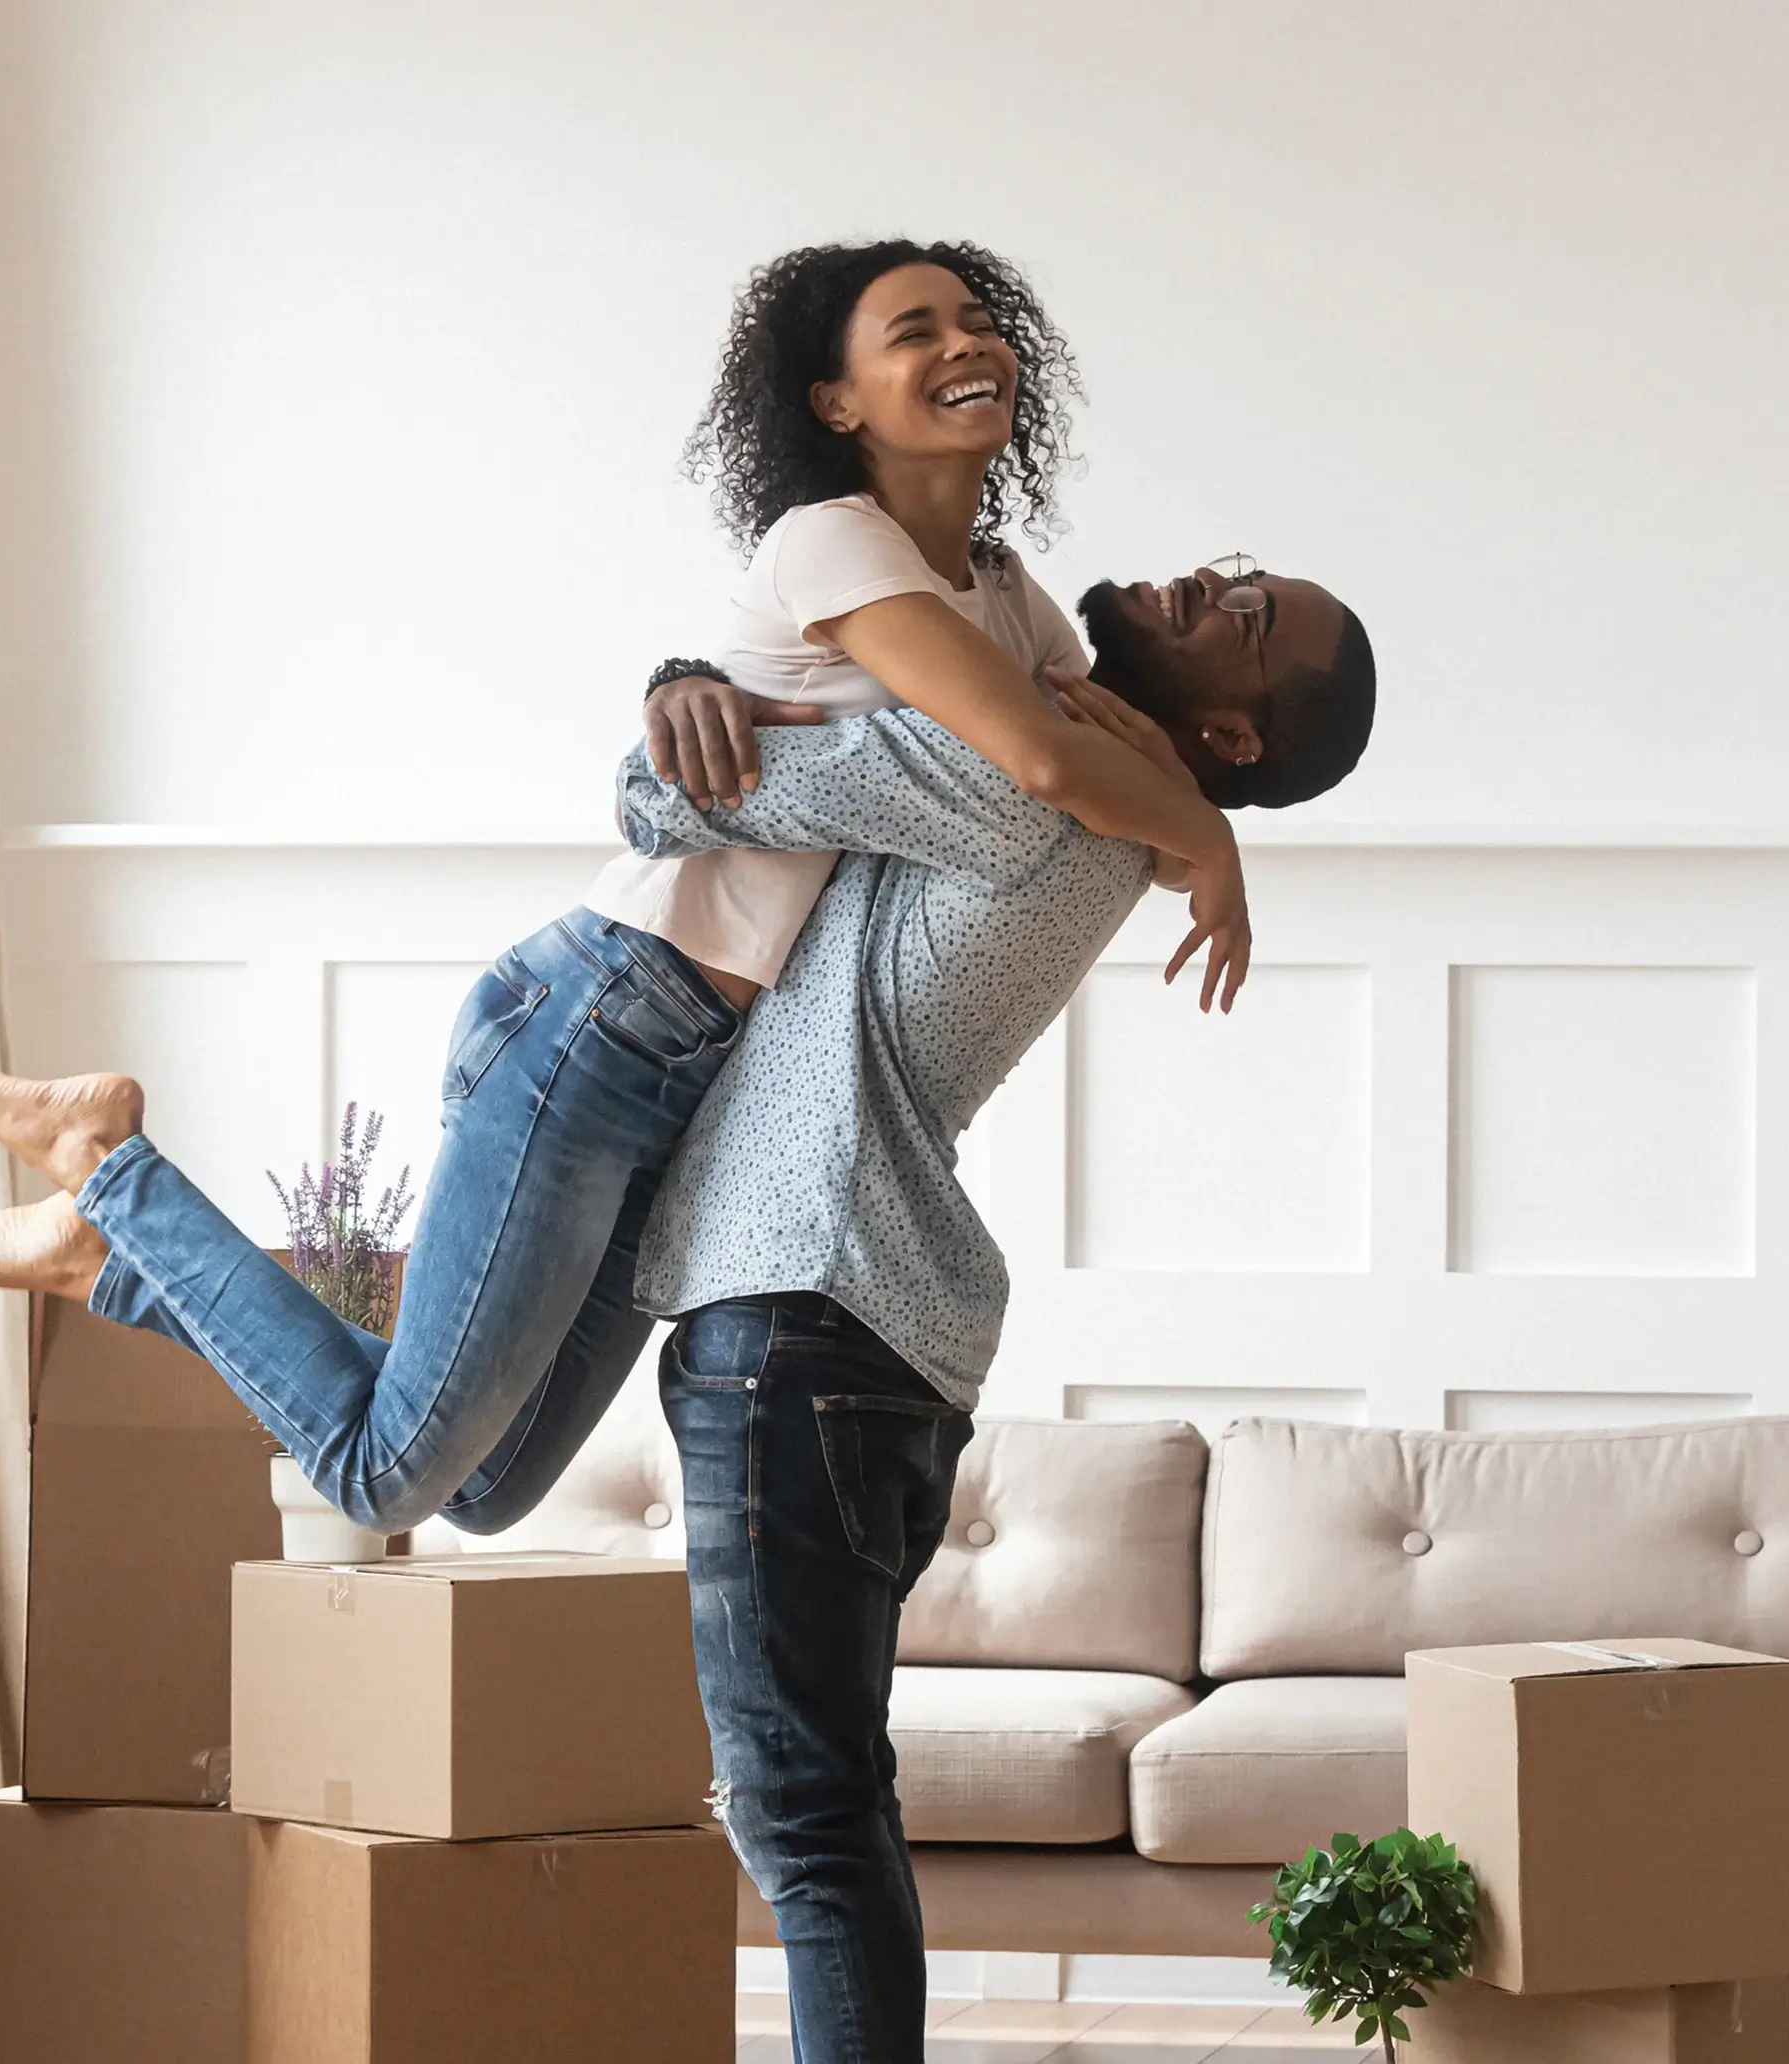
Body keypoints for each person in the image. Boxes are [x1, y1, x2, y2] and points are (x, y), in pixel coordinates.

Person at [0, 239, 1255, 1539]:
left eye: (977, 320)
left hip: (691, 1073)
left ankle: (109, 1259)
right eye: (918, 331)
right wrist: (1213, 839)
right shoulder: (835, 542)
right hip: (601, 1019)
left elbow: (1075, 744)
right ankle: (112, 1172)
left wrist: (1148, 789)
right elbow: (1035, 756)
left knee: (484, 1490)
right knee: (385, 1477)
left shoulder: (1009, 599)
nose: (970, 344)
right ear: (836, 400)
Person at [615, 558, 1373, 2064]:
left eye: (1246, 617)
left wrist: (672, 695)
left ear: (1226, 736)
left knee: (805, 1817)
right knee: (828, 1806)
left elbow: (664, 801)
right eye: (1237, 572)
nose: (1210, 580)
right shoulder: (1082, 781)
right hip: (863, 1333)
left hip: (805, 1304)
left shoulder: (1025, 771)